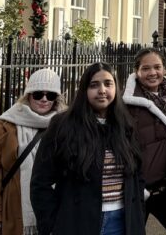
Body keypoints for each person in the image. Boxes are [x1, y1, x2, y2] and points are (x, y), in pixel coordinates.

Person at [31, 63, 145, 235]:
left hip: (122, 222)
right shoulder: (63, 125)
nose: (102, 90)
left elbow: (138, 176)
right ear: (84, 89)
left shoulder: (126, 125)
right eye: (94, 85)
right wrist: (52, 225)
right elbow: (41, 182)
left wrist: (138, 215)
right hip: (78, 222)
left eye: (108, 83)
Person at [0, 69, 66, 235]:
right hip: (14, 215)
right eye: (38, 94)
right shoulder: (5, 125)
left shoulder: (66, 126)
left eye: (50, 95)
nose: (44, 99)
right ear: (28, 95)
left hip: (56, 214)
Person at [123, 48, 166, 234]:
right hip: (137, 190)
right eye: (146, 68)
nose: (152, 73)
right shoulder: (126, 104)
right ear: (137, 71)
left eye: (157, 67)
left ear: (164, 69)